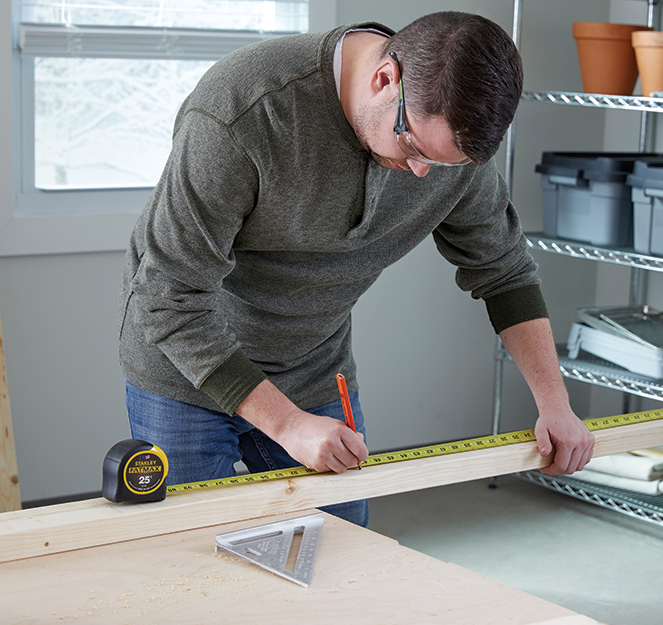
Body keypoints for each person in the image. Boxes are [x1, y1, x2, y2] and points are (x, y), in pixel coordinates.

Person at [118, 11, 594, 527]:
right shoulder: (244, 110)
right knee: (196, 562)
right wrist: (287, 425)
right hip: (191, 372)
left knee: (341, 554)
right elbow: (169, 297)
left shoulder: (445, 148)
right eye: (412, 145)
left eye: (443, 163)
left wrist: (555, 404)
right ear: (386, 78)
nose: (420, 172)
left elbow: (505, 275)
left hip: (314, 369)